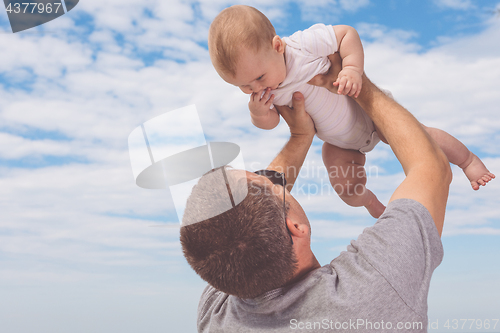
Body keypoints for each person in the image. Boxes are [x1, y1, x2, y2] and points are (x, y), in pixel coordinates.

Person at [180, 53, 452, 332]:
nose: (275, 178)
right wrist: (359, 86)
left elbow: (239, 223)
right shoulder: (372, 286)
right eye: (273, 185)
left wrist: (301, 136)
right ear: (296, 229)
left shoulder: (217, 310)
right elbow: (431, 167)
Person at [207, 5, 494, 218]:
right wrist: (258, 113)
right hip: (338, 142)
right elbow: (270, 123)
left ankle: (468, 161)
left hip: (368, 114)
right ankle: (370, 203)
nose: (254, 88)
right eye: (242, 86)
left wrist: (353, 70)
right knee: (343, 186)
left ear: (278, 46)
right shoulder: (266, 91)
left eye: (257, 78)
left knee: (421, 139)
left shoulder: (303, 46)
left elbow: (346, 35)